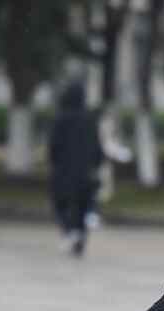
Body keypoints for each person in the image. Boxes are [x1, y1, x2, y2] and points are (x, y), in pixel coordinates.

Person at [48, 82, 103, 257]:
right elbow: (97, 145)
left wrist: (54, 163)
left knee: (61, 203)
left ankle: (69, 230)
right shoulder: (89, 120)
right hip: (86, 172)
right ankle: (80, 236)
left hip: (64, 172)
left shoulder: (60, 119)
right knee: (82, 205)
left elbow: (53, 146)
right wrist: (96, 163)